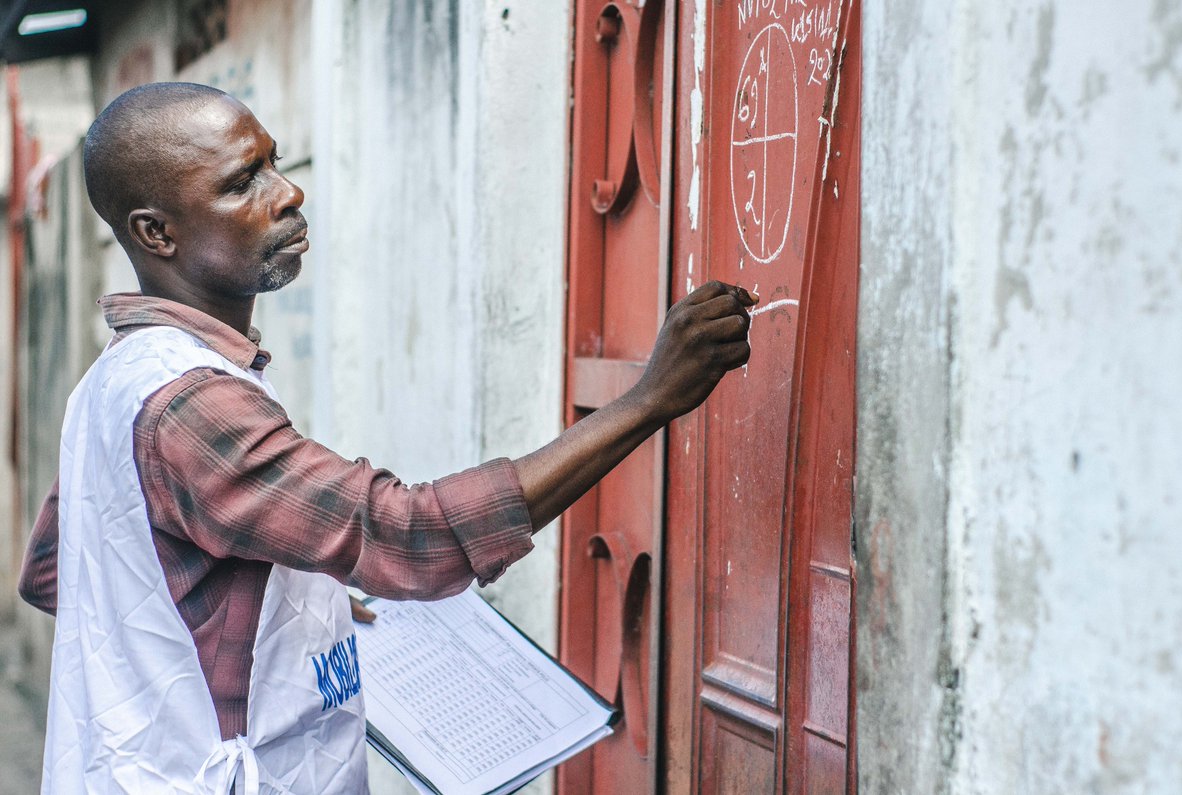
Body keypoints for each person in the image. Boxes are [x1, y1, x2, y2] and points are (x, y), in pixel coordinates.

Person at [17, 82, 756, 794]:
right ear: (156, 232)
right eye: (243, 182)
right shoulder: (192, 404)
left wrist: (299, 593)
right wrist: (649, 400)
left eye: (273, 160)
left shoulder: (120, 377)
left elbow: (58, 570)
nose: (288, 191)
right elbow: (406, 534)